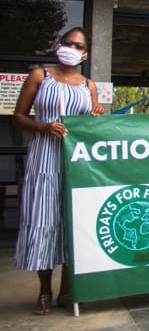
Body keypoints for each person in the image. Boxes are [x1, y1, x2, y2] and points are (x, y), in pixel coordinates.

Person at [13, 26, 105, 315]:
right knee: (43, 221)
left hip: (74, 162)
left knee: (72, 223)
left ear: (85, 53)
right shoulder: (40, 76)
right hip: (44, 159)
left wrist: (96, 114)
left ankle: (68, 290)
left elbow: (90, 126)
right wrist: (42, 126)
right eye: (67, 42)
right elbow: (19, 116)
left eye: (78, 45)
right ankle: (44, 291)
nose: (71, 48)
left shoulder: (87, 85)